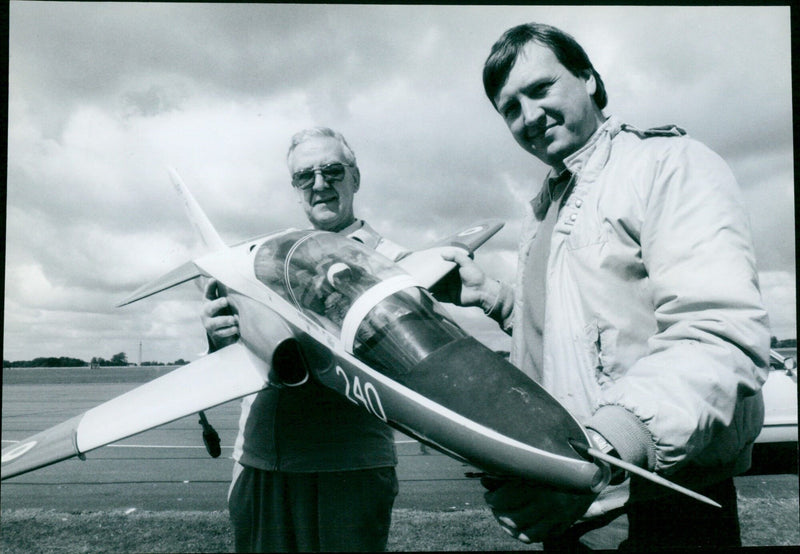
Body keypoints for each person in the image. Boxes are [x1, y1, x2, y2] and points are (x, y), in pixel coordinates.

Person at [442, 22, 770, 551]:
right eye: (510, 108)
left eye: (541, 89)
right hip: (572, 502)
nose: (529, 116)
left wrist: (597, 458)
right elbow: (579, 333)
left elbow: (717, 334)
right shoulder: (545, 205)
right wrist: (492, 297)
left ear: (589, 79)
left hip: (662, 504)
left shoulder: (667, 165)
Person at [202, 127, 408, 552]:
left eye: (332, 171)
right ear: (295, 189)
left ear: (355, 177)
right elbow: (239, 357)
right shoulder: (266, 258)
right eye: (304, 176)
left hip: (348, 471)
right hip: (262, 463)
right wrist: (217, 334)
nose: (319, 184)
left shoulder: (396, 264)